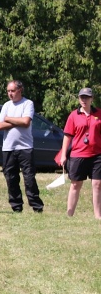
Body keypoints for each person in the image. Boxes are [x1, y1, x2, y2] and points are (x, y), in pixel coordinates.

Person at [0, 80, 44, 213]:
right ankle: (16, 207)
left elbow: (26, 122)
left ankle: (37, 206)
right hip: (8, 148)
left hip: (25, 147)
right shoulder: (6, 105)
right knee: (10, 178)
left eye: (12, 91)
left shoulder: (27, 103)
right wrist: (18, 121)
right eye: (8, 91)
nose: (10, 94)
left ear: (20, 90)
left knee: (29, 178)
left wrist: (8, 119)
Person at [58, 87, 101, 218]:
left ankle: (98, 216)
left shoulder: (99, 114)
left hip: (97, 155)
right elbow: (67, 136)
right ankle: (69, 214)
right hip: (78, 155)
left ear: (92, 99)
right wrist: (63, 155)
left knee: (97, 184)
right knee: (76, 184)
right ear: (79, 99)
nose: (84, 100)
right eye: (82, 97)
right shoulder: (73, 115)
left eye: (87, 97)